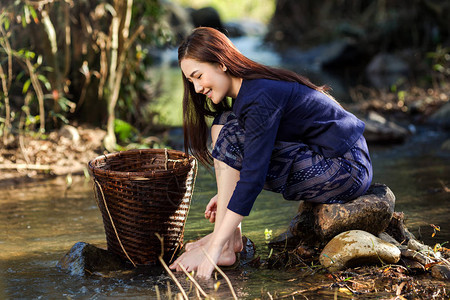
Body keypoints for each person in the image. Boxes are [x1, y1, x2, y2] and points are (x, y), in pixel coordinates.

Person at [169, 27, 373, 279]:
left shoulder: (259, 96)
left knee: (230, 136)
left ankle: (221, 247)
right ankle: (229, 240)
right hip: (330, 160)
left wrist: (211, 250)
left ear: (220, 63)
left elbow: (254, 175)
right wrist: (225, 194)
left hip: (346, 170)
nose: (197, 88)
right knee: (222, 123)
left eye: (198, 76)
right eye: (191, 81)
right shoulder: (250, 91)